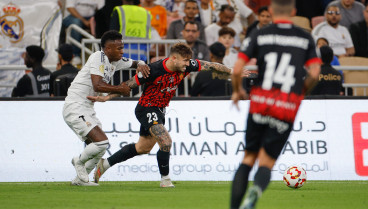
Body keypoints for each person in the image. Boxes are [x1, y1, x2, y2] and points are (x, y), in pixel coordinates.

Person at [89, 43, 244, 187]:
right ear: (174, 58)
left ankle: (105, 164)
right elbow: (128, 85)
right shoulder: (153, 70)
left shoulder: (187, 65)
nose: (187, 64)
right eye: (185, 61)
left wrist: (233, 71)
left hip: (160, 110)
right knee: (165, 141)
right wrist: (107, 97)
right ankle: (165, 180)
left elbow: (211, 66)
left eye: (189, 61)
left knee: (142, 148)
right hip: (146, 108)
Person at [230, 0, 321, 208]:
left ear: (270, 11)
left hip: (260, 101)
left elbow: (237, 69)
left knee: (248, 158)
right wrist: (301, 92)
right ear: (294, 12)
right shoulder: (305, 37)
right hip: (286, 105)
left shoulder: (259, 34)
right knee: (267, 162)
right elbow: (315, 72)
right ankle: (256, 191)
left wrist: (237, 90)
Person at [63, 30, 150, 186]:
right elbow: (98, 85)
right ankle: (79, 161)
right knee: (102, 142)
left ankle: (79, 181)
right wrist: (120, 89)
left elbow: (135, 63)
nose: (122, 51)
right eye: (119, 48)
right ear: (108, 49)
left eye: (122, 47)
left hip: (87, 107)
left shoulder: (115, 60)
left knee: (100, 148)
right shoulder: (98, 57)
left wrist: (142, 64)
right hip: (75, 106)